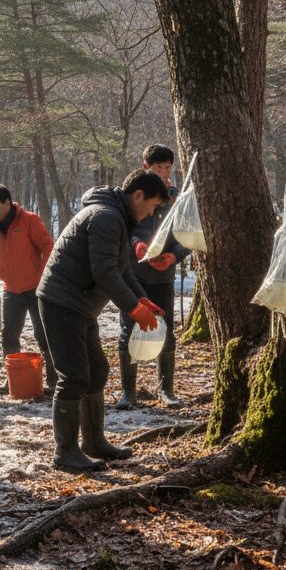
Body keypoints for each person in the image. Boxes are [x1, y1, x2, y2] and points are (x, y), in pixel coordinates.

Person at [37, 169, 168, 472]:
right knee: (74, 376)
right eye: (151, 206)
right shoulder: (106, 217)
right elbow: (104, 273)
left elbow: (122, 270)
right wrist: (134, 310)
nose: (151, 214)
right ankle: (64, 452)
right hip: (63, 301)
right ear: (138, 195)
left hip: (80, 304)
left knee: (97, 369)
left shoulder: (116, 217)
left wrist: (141, 299)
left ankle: (93, 442)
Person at [117, 145, 191, 410]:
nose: (163, 172)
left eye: (167, 168)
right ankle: (128, 393)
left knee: (167, 332)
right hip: (133, 275)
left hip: (163, 277)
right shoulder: (133, 194)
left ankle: (166, 390)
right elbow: (121, 231)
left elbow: (187, 236)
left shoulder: (177, 199)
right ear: (145, 166)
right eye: (157, 167)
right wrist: (135, 245)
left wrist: (173, 257)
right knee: (128, 330)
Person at [0, 184, 56, 393]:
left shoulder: (29, 220)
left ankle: (54, 380)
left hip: (36, 288)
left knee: (43, 334)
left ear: (7, 203)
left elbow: (48, 247)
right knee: (9, 335)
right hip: (11, 289)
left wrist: (44, 276)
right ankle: (12, 379)